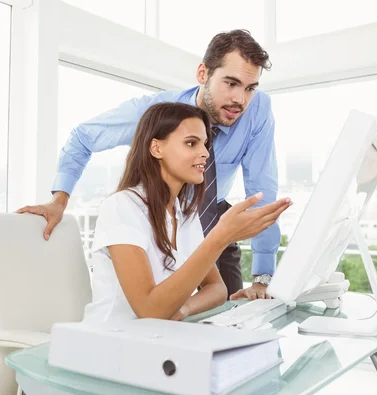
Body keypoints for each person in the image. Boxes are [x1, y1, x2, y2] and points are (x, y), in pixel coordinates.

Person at [18, 29, 280, 299]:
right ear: (203, 74)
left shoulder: (257, 109)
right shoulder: (158, 114)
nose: (240, 100)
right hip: (158, 220)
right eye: (231, 83)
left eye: (250, 88)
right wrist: (59, 200)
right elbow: (84, 137)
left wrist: (262, 278)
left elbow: (261, 193)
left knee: (231, 318)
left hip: (211, 220)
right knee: (154, 306)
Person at [78, 102, 291, 322]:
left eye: (205, 144)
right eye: (191, 143)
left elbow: (217, 288)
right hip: (111, 341)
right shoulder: (122, 206)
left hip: (158, 337)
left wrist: (183, 309)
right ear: (156, 148)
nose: (205, 153)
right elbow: (149, 310)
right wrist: (221, 236)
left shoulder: (184, 213)